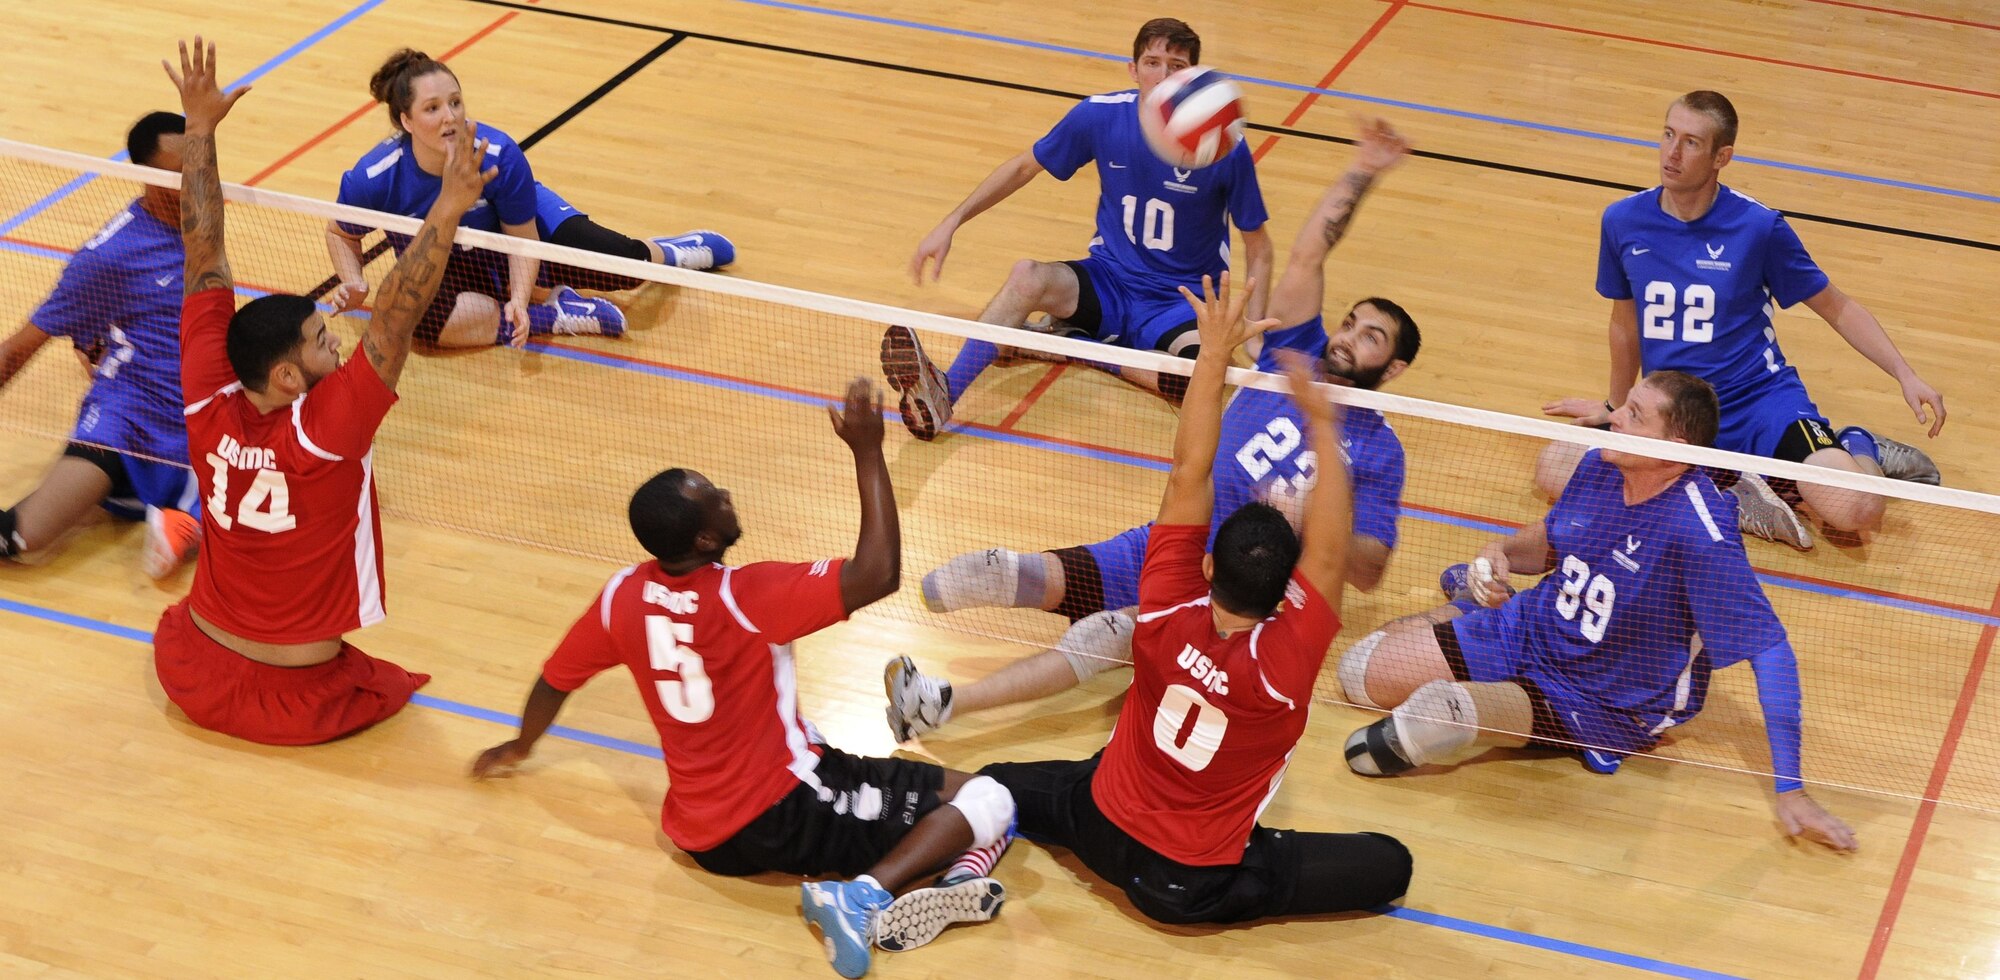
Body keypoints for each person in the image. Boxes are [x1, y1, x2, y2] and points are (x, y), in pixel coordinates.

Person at [885, 119, 1419, 741]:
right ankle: (1063, 367)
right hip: (1175, 539)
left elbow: (1370, 568)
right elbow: (1308, 252)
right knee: (1006, 574)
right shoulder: (1289, 357)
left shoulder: (1381, 449)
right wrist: (1364, 169)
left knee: (1103, 637)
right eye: (1351, 322)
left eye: (1370, 337)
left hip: (1243, 600)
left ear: (1395, 367)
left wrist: (1311, 516)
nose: (1349, 337)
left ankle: (944, 704)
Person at [471, 380, 1016, 979]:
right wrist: (867, 450)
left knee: (967, 807)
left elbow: (554, 681)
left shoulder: (619, 599)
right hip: (786, 808)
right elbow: (879, 573)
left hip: (700, 834)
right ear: (705, 539)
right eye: (713, 497)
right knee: (990, 798)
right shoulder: (746, 598)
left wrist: (521, 745)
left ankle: (953, 881)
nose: (725, 493)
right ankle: (860, 898)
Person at [977, 275, 1411, 925]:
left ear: (1206, 564)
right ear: (1287, 597)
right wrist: (1325, 426)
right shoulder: (1287, 664)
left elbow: (1190, 471)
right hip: (1181, 883)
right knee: (1389, 862)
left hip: (1095, 821)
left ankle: (967, 868)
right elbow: (1326, 557)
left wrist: (1212, 353)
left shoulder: (1164, 604)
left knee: (994, 784)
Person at [1339, 370, 1858, 852]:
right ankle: (1467, 606)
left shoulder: (1700, 534)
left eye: (1634, 414)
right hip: (1532, 627)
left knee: (1435, 717)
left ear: (1672, 446)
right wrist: (1497, 554)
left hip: (1602, 697)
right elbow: (1549, 542)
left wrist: (1791, 789)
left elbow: (1771, 652)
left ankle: (1461, 622)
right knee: (1359, 673)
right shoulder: (1598, 465)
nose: (1614, 418)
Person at [151, 37, 472, 744]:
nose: (336, 336)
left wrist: (199, 129)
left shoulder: (209, 392)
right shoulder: (325, 430)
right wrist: (447, 206)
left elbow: (202, 251)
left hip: (193, 662)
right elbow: (394, 317)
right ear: (288, 377)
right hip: (294, 697)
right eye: (321, 338)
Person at [1540, 90, 1946, 551]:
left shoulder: (1758, 228)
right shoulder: (1623, 221)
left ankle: (1858, 444)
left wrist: (1904, 373)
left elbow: (1837, 306)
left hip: (1759, 401)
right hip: (1674, 410)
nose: (1672, 153)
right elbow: (1624, 324)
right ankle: (1737, 497)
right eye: (1669, 135)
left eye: (1692, 142)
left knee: (1856, 512)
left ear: (1722, 157)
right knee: (1554, 470)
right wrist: (1619, 409)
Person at [885, 18, 1273, 439]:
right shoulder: (1100, 117)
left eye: (1177, 66)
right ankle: (945, 393)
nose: (1162, 77)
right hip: (1109, 283)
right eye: (1152, 62)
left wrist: (1251, 333)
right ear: (1133, 69)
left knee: (1208, 379)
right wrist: (952, 222)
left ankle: (1078, 348)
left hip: (1181, 302)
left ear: (1193, 77)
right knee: (1026, 276)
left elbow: (1260, 248)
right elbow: (1022, 167)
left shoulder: (1222, 146)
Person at [325, 49, 734, 349]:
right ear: (406, 121)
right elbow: (341, 233)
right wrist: (354, 279)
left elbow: (523, 237)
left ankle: (668, 253)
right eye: (432, 108)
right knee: (419, 323)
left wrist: (519, 294)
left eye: (455, 102)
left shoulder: (498, 154)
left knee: (618, 267)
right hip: (448, 259)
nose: (450, 116)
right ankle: (550, 315)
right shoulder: (373, 179)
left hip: (521, 231)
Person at [0, 111, 205, 578]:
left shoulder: (205, 214)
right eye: (179, 175)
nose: (195, 183)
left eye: (201, 168)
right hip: (127, 418)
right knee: (26, 537)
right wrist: (90, 344)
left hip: (198, 409)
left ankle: (183, 523)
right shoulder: (108, 258)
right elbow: (18, 349)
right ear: (145, 178)